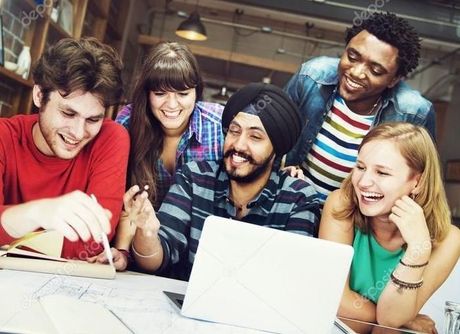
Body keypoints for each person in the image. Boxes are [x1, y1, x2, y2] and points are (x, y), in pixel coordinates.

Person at [112, 83, 320, 278]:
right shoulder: (194, 177)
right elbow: (156, 259)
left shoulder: (297, 198)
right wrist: (146, 231)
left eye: (255, 137)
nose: (238, 145)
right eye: (234, 131)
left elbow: (292, 276)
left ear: (277, 149)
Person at [319, 122, 460, 333]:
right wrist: (402, 322)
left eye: (382, 173)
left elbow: (391, 320)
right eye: (360, 167)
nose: (364, 182)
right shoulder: (341, 205)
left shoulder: (449, 240)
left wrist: (417, 248)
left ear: (418, 182)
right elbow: (333, 301)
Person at [284, 12, 435, 206]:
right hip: (294, 204)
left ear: (394, 79)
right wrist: (281, 173)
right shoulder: (312, 76)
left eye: (376, 70)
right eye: (352, 56)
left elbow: (422, 184)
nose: (356, 72)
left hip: (355, 220)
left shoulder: (414, 113)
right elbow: (269, 135)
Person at [0, 38, 129, 261]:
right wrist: (39, 212)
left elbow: (93, 243)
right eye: (68, 114)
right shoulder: (4, 136)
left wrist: (13, 229)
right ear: (39, 96)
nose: (78, 133)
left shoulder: (111, 138)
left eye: (93, 119)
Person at [115, 41, 223, 211]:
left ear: (196, 92)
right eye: (160, 93)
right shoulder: (127, 122)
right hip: (138, 229)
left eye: (183, 93)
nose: (172, 105)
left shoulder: (220, 125)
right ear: (147, 94)